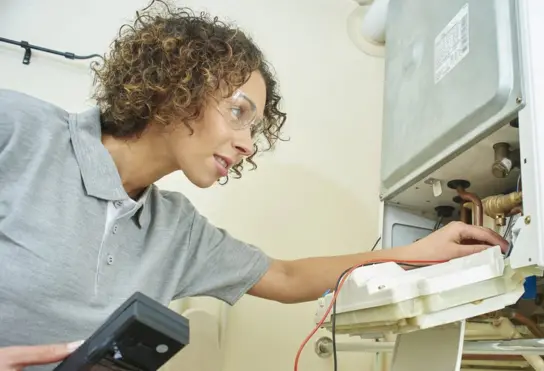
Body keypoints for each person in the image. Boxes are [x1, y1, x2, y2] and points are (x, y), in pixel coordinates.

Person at [0, 2, 508, 370]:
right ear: (175, 84)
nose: (247, 144)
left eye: (255, 127)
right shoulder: (20, 132)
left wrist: (418, 252)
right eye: (239, 112)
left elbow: (285, 278)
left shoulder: (175, 230)